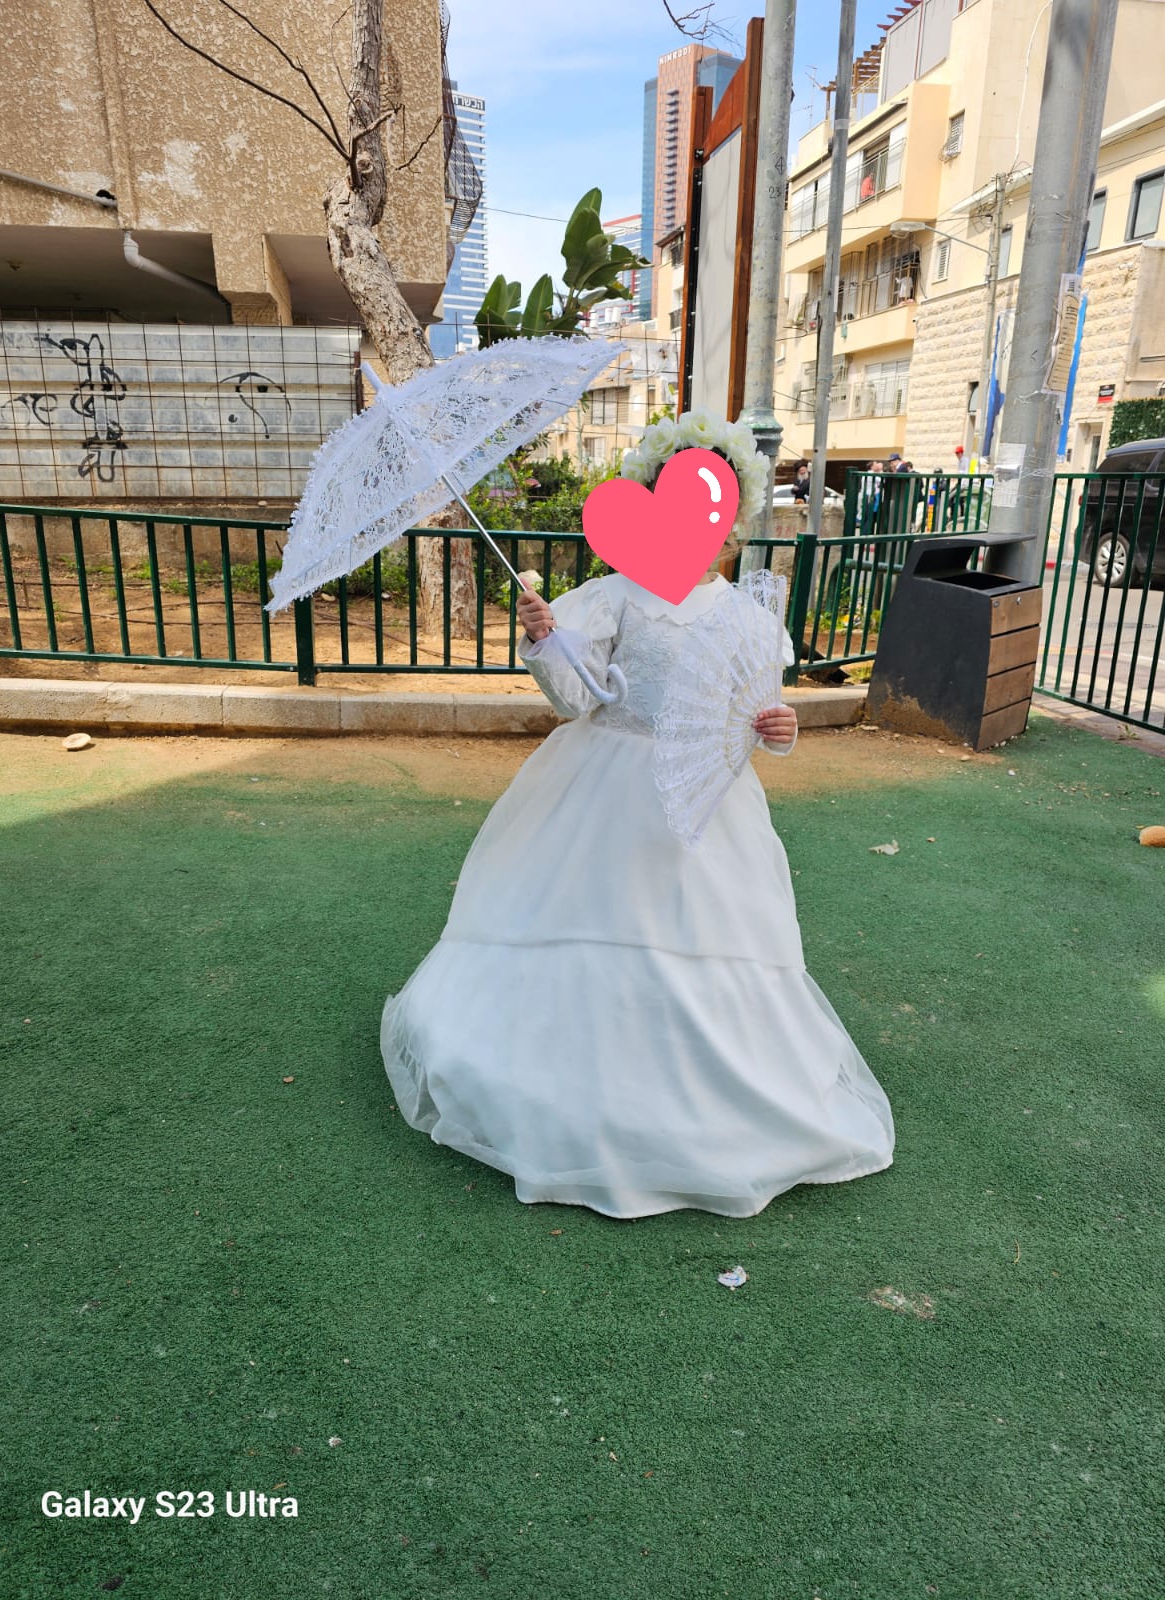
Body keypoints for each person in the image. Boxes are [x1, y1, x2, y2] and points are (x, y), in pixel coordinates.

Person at [379, 409, 895, 1220]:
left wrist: (781, 729)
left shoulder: (747, 614)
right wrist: (546, 641)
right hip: (601, 790)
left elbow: (759, 715)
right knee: (584, 922)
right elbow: (575, 698)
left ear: (732, 521)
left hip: (709, 807)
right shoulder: (616, 595)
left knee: (707, 934)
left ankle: (720, 1093)